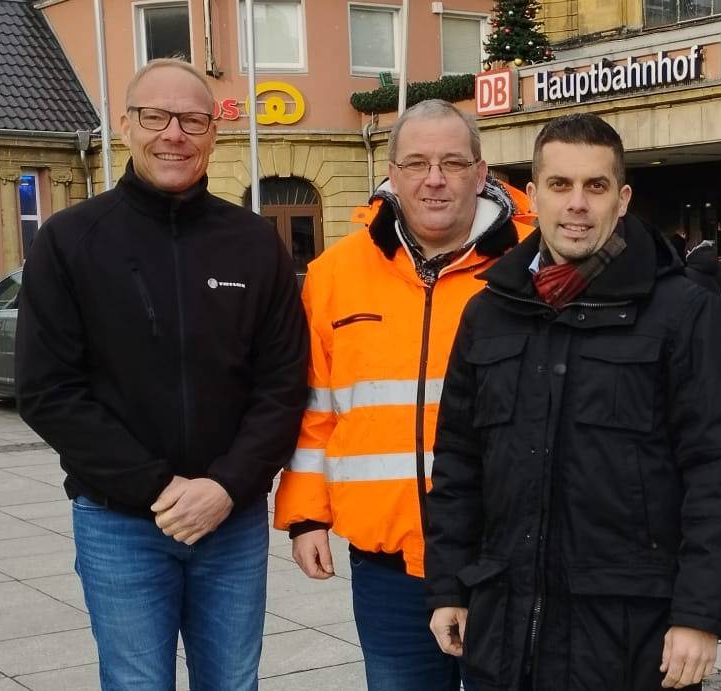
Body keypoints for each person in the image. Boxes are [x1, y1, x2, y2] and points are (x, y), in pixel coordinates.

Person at [425, 113, 721, 691]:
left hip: (630, 641)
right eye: (560, 185)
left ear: (622, 198)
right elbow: (459, 464)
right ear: (532, 195)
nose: (576, 203)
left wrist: (699, 616)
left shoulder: (684, 313)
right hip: (505, 632)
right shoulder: (489, 313)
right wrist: (449, 587)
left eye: (595, 186)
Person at [15, 58, 309, 690]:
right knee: (136, 683)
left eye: (193, 119)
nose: (174, 133)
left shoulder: (255, 244)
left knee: (232, 683)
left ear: (213, 132)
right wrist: (160, 488)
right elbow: (48, 392)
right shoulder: (70, 240)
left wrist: (225, 487)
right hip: (118, 521)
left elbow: (283, 385)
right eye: (156, 117)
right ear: (126, 126)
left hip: (230, 521)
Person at [272, 99, 533, 690]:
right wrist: (307, 514)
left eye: (452, 162)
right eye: (415, 163)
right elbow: (315, 405)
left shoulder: (533, 263)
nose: (434, 179)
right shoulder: (337, 272)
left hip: (506, 558)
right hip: (389, 566)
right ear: (391, 173)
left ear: (482, 172)